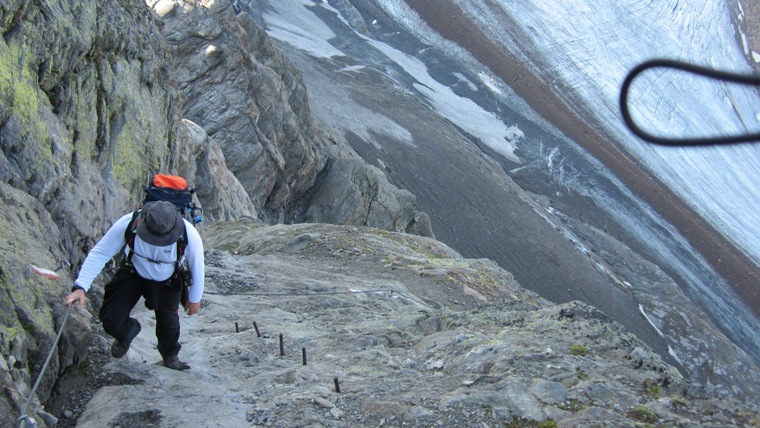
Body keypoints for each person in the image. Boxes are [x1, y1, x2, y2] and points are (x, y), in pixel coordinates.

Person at [65, 200, 205, 370]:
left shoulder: (189, 234)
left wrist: (194, 298)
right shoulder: (128, 224)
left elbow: (197, 266)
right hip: (133, 272)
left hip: (169, 279)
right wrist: (80, 287)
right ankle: (126, 332)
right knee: (110, 319)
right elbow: (101, 253)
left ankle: (170, 355)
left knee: (169, 321)